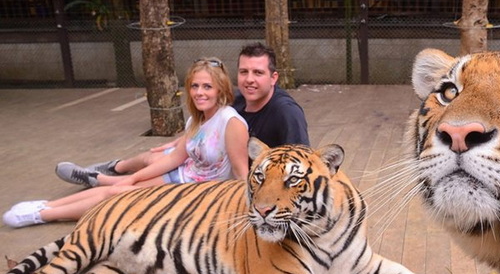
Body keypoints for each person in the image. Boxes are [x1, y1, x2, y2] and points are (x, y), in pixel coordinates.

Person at [3, 58, 248, 228]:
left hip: (198, 194)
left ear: (221, 89)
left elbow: (240, 174)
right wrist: (133, 177)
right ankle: (45, 204)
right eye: (195, 86)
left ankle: (43, 216)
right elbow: (175, 158)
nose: (199, 92)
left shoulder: (230, 122)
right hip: (184, 176)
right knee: (119, 184)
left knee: (116, 196)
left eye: (207, 86)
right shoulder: (197, 119)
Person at [54, 43, 309, 187]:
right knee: (153, 154)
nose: (249, 80)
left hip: (224, 174)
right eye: (244, 72)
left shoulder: (286, 113)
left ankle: (103, 181)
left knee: (151, 174)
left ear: (274, 77)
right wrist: (183, 140)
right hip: (206, 159)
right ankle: (113, 167)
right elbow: (209, 125)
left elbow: (303, 162)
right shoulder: (240, 96)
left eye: (258, 73)